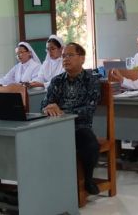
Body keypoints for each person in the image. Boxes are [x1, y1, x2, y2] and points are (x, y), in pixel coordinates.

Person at [41, 43, 102, 195]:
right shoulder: (57, 81)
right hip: (56, 126)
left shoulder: (92, 81)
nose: (65, 59)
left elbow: (89, 109)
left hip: (79, 126)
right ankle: (45, 183)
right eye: (63, 56)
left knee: (91, 144)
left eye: (70, 55)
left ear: (82, 58)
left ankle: (88, 179)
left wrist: (62, 111)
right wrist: (48, 108)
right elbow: (45, 103)